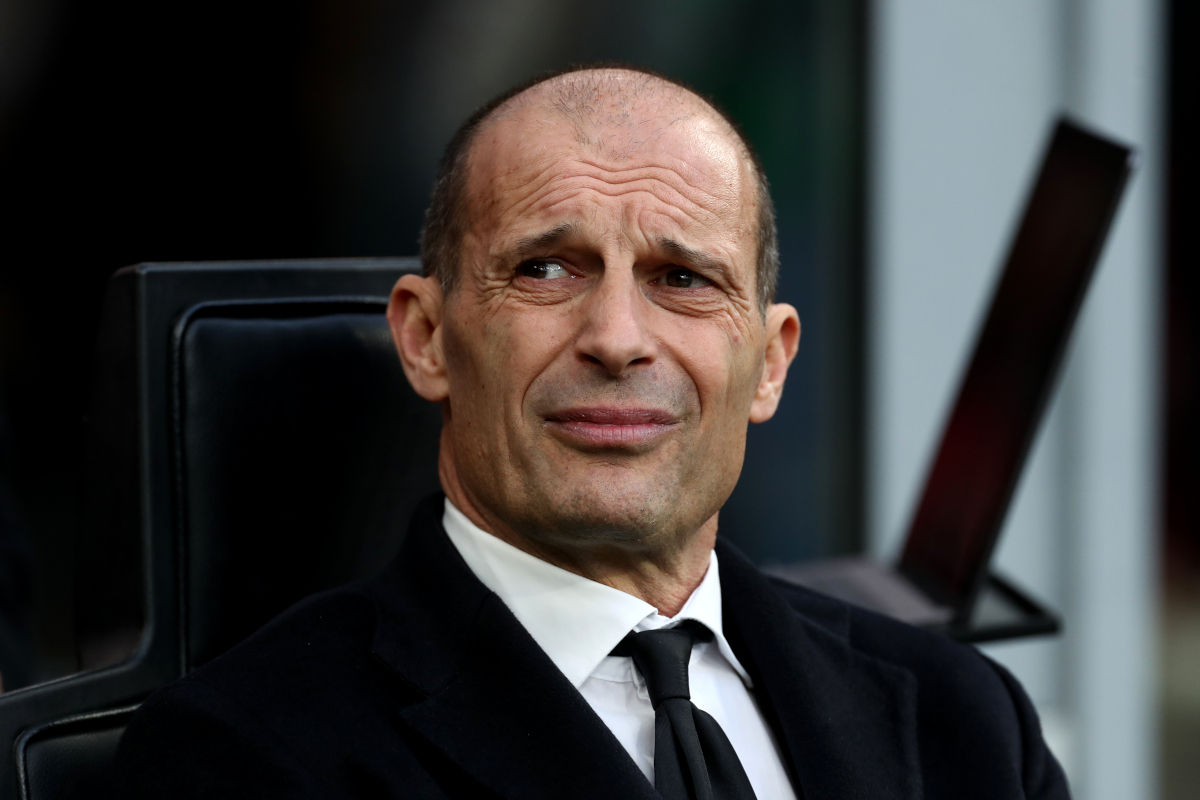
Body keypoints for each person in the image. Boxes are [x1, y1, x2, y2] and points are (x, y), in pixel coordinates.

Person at [117, 66, 1069, 800]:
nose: (616, 338)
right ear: (427, 337)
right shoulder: (242, 757)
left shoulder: (967, 722)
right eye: (546, 269)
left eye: (683, 279)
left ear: (770, 364)